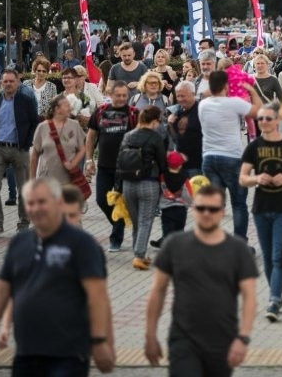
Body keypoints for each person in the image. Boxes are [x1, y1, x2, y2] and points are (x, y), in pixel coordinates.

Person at [0, 177, 116, 375]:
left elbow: (98, 297)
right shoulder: (19, 243)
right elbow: (0, 292)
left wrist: (100, 341)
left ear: (57, 203)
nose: (36, 208)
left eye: (42, 202)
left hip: (68, 354)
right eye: (31, 203)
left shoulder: (82, 244)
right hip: (26, 352)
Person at [145, 185, 258, 376]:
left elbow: (250, 298)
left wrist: (243, 338)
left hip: (223, 342)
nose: (206, 213)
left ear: (223, 212)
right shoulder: (174, 245)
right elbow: (158, 291)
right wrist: (150, 335)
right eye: (201, 208)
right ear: (192, 209)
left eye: (213, 209)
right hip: (183, 341)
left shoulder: (238, 250)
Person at [239, 102, 282, 323]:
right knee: (267, 257)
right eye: (260, 119)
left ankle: (274, 298)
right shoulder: (254, 146)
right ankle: (274, 294)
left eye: (268, 119)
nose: (264, 123)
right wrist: (257, 178)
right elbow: (242, 177)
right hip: (261, 207)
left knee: (279, 256)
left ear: (278, 120)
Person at [199, 70, 263, 244]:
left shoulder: (203, 105)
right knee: (239, 203)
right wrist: (252, 90)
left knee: (214, 203)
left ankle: (212, 239)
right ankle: (240, 242)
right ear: (227, 86)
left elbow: (205, 95)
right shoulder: (234, 103)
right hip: (232, 157)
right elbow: (257, 111)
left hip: (209, 157)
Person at [86, 81, 137, 252]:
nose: (122, 98)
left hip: (126, 167)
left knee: (122, 201)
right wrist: (88, 160)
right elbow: (91, 136)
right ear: (111, 95)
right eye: (118, 95)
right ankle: (119, 222)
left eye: (124, 95)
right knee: (102, 200)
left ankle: (116, 238)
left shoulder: (134, 114)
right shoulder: (101, 112)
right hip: (105, 166)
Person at [0, 69, 40, 237]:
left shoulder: (26, 101)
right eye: (5, 81)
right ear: (1, 83)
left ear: (18, 82)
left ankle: (23, 224)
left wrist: (27, 142)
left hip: (20, 148)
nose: (8, 84)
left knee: (23, 188)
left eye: (12, 81)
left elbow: (34, 122)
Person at [119, 106, 167, 270]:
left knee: (136, 221)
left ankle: (138, 252)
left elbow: (119, 161)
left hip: (127, 184)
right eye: (159, 121)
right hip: (148, 182)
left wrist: (117, 187)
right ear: (153, 121)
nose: (159, 124)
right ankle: (139, 256)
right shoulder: (155, 138)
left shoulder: (128, 136)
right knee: (146, 220)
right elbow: (162, 163)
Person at [30, 94, 87, 185]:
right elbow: (34, 156)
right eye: (67, 105)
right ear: (57, 109)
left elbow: (83, 148)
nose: (70, 108)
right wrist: (32, 181)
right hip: (46, 180)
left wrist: (73, 163)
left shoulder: (74, 125)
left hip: (68, 181)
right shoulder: (42, 127)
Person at [167, 81, 203, 175]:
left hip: (198, 165)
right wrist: (170, 124)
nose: (180, 99)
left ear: (193, 94)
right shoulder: (177, 112)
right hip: (181, 166)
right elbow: (175, 138)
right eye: (178, 96)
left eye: (183, 96)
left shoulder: (201, 110)